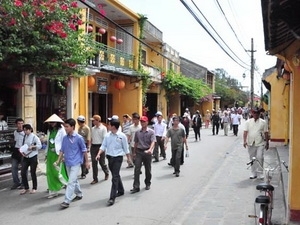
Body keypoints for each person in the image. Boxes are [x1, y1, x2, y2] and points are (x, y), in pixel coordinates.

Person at [55, 118, 90, 209]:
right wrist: (58, 161)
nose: (65, 128)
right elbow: (62, 150)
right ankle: (79, 194)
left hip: (76, 162)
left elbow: (84, 150)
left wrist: (87, 162)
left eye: (67, 127)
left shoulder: (79, 138)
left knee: (70, 182)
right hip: (67, 162)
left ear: (72, 127)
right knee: (73, 180)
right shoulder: (65, 138)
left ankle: (66, 201)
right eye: (64, 126)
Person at [95, 118, 131, 206]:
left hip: (118, 158)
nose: (108, 126)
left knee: (114, 177)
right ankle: (121, 190)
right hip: (110, 158)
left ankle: (112, 197)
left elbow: (126, 148)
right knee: (116, 174)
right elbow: (103, 146)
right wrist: (98, 154)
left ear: (113, 126)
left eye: (109, 124)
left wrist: (128, 159)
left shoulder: (122, 136)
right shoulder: (107, 136)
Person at [44, 114, 68, 198]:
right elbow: (48, 143)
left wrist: (64, 154)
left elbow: (64, 142)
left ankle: (64, 184)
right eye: (51, 122)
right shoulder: (49, 130)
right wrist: (46, 154)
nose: (52, 123)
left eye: (53, 122)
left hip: (58, 153)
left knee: (58, 171)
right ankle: (53, 190)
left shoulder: (61, 130)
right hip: (50, 153)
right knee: (50, 172)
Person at [130, 116, 156, 193]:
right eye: (141, 122)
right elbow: (136, 142)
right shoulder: (137, 132)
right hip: (139, 152)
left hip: (147, 151)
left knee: (148, 169)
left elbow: (153, 142)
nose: (142, 123)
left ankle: (148, 183)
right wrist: (134, 152)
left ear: (147, 122)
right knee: (137, 169)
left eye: (144, 122)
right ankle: (136, 186)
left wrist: (150, 149)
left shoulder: (151, 132)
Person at [243, 108, 269, 179]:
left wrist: (267, 142)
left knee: (260, 157)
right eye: (254, 113)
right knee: (252, 158)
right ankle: (253, 172)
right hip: (251, 142)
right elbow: (245, 132)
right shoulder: (248, 122)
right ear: (252, 114)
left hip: (260, 142)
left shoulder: (263, 122)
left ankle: (260, 173)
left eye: (257, 113)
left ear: (259, 114)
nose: (255, 115)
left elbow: (266, 132)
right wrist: (244, 141)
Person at [19, 124, 42, 195]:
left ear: (30, 129)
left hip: (33, 156)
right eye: (24, 130)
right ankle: (26, 187)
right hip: (26, 156)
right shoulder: (25, 137)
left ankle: (34, 187)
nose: (25, 131)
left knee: (32, 172)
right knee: (23, 172)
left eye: (26, 130)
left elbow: (40, 146)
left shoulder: (34, 137)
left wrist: (32, 147)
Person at [90, 115, 109, 184]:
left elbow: (105, 139)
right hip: (94, 146)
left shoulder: (103, 128)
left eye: (94, 120)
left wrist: (104, 148)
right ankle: (95, 178)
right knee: (94, 163)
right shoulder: (92, 128)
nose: (92, 122)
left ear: (97, 120)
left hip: (100, 146)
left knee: (102, 162)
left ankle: (106, 172)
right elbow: (92, 138)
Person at [10, 118, 25, 190]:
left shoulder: (25, 132)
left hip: (23, 151)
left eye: (22, 123)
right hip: (16, 151)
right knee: (13, 168)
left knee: (23, 168)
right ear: (16, 124)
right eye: (19, 123)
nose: (20, 125)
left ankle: (23, 183)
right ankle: (16, 182)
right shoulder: (14, 132)